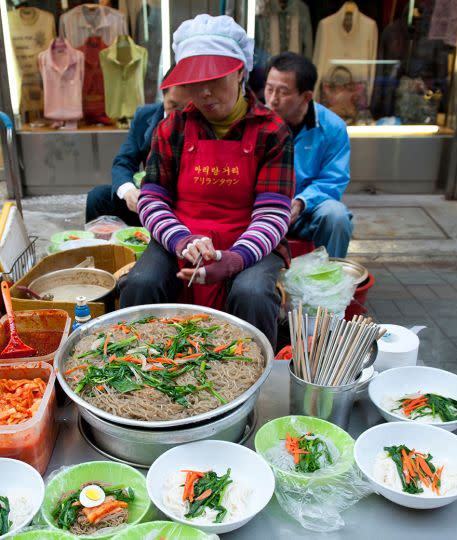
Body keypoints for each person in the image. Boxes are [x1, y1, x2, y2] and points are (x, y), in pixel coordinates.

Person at [119, 15, 295, 348]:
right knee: (140, 284)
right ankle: (142, 370)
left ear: (241, 71)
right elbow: (152, 199)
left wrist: (233, 259)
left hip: (251, 240)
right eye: (194, 82)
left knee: (252, 293)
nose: (204, 92)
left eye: (215, 79)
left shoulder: (273, 132)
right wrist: (182, 241)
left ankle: (251, 386)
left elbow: (273, 216)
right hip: (181, 235)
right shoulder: (173, 128)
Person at [264, 52, 353, 258]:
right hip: (264, 208)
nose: (273, 100)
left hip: (308, 211)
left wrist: (302, 202)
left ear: (306, 96)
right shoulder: (257, 123)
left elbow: (333, 180)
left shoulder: (332, 127)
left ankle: (329, 283)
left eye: (283, 92)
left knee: (336, 216)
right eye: (269, 89)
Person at [85, 75, 188, 225]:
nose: (178, 114)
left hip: (182, 203)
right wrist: (129, 192)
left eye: (184, 107)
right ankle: (102, 246)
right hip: (147, 196)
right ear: (163, 94)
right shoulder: (144, 115)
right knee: (98, 197)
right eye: (172, 105)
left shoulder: (199, 119)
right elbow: (124, 161)